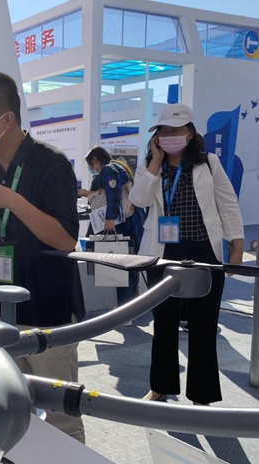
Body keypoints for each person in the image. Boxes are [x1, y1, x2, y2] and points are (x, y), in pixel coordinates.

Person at [0, 72, 85, 443]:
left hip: (51, 311)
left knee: (62, 414)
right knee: (9, 407)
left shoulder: (52, 163)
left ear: (6, 119)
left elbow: (66, 240)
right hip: (4, 308)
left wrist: (13, 201)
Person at [129, 103, 244, 405]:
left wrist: (237, 244)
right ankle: (160, 385)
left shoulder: (208, 163)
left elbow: (227, 204)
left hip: (203, 251)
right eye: (164, 131)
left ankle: (202, 395)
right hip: (163, 252)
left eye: (176, 130)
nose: (170, 136)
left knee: (203, 325)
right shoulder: (150, 165)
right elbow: (138, 200)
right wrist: (155, 161)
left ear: (190, 133)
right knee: (163, 323)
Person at [85, 146, 144, 305]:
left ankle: (124, 307)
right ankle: (130, 304)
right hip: (132, 221)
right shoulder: (119, 167)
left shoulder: (109, 170)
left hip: (124, 223)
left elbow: (114, 194)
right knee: (130, 266)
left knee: (122, 268)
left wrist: (109, 218)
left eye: (90, 165)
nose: (92, 168)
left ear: (95, 160)